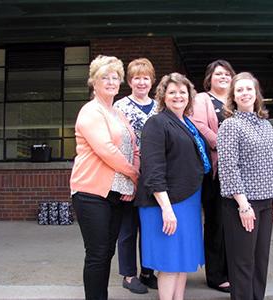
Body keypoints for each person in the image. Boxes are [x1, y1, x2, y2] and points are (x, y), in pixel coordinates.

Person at [135, 72, 210, 300]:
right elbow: (153, 169)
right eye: (172, 92)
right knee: (169, 262)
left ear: (189, 96)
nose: (178, 96)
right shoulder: (156, 123)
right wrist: (166, 209)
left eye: (182, 92)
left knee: (183, 260)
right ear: (163, 96)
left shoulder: (186, 123)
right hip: (165, 202)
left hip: (188, 200)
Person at [70, 55, 140, 300]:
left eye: (115, 77)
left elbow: (134, 148)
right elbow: (106, 150)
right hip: (91, 192)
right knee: (98, 253)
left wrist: (132, 179)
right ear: (94, 82)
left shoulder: (118, 113)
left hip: (116, 193)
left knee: (107, 251)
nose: (111, 81)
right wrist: (134, 175)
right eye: (105, 77)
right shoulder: (90, 111)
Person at [217, 72, 273, 300]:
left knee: (260, 260)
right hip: (243, 205)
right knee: (243, 263)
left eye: (249, 89)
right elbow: (228, 168)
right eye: (239, 90)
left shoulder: (266, 124)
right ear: (233, 96)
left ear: (256, 94)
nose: (245, 93)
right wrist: (244, 206)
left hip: (268, 201)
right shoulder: (230, 125)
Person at [113, 58, 158, 294]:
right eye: (137, 78)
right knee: (128, 227)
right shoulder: (120, 107)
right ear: (130, 81)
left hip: (155, 176)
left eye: (146, 77)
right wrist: (127, 174)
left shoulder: (160, 105)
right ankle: (129, 275)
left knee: (151, 225)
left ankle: (148, 272)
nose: (142, 82)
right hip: (129, 173)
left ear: (152, 81)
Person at [191, 59, 235, 293]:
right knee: (217, 223)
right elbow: (198, 124)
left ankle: (233, 270)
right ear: (210, 78)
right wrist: (224, 144)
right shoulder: (202, 99)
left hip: (239, 171)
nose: (224, 77)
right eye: (219, 74)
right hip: (217, 172)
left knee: (235, 223)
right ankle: (216, 275)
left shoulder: (237, 98)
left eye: (227, 74)